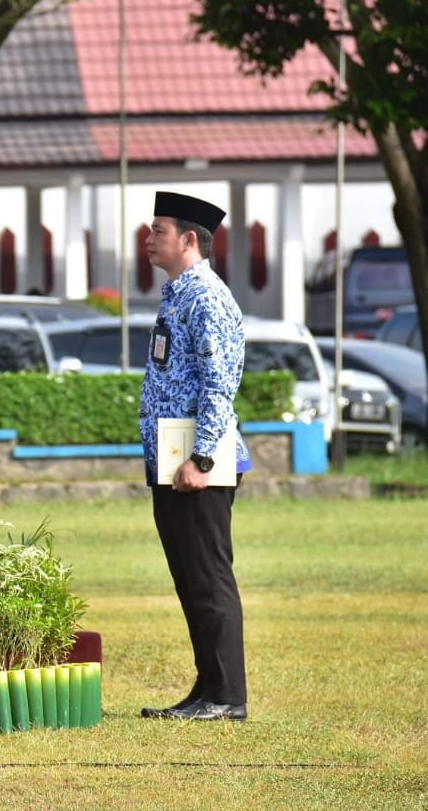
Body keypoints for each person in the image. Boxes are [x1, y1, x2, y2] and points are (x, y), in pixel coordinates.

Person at [138, 191, 252, 722]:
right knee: (190, 578)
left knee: (208, 577)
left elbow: (218, 385)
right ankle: (207, 690)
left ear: (188, 239)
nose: (148, 238)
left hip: (197, 461)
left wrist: (202, 459)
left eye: (158, 229)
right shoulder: (177, 294)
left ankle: (228, 696)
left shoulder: (206, 296)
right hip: (174, 456)